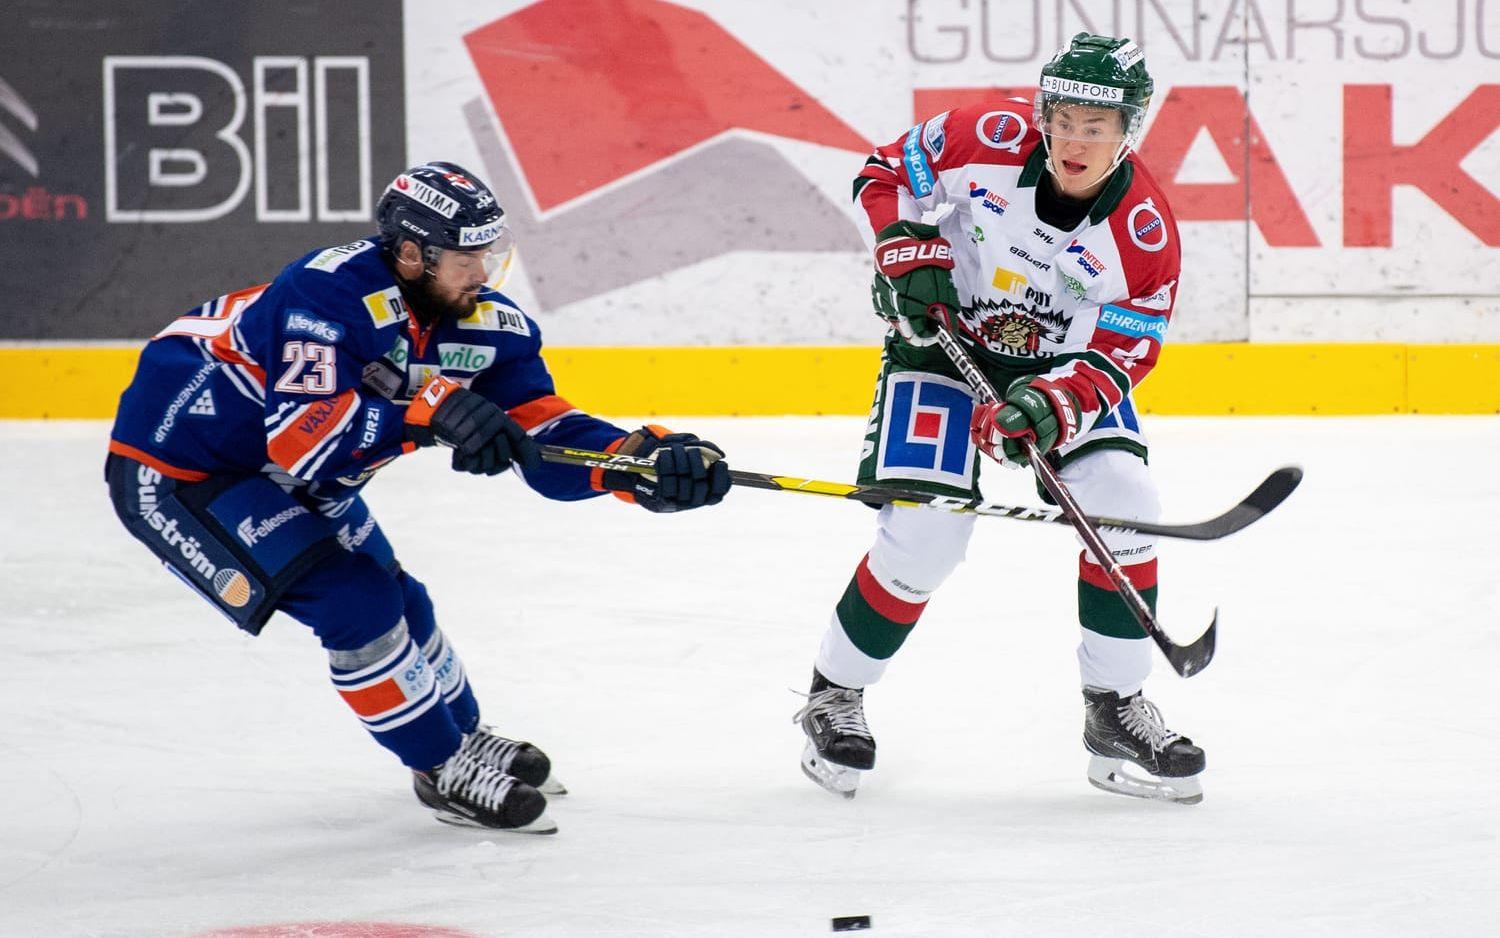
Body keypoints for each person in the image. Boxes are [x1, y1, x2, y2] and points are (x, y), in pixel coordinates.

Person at [105, 161, 732, 833]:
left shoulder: (485, 324)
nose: (485, 273)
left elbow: (544, 437)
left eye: (492, 252)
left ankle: (461, 735)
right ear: (411, 253)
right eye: (468, 256)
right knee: (356, 603)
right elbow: (304, 441)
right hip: (182, 470)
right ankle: (441, 768)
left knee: (404, 597)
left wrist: (631, 461)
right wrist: (425, 415)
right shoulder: (323, 297)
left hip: (292, 472)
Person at [794, 34, 1205, 804]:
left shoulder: (1145, 235)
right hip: (942, 349)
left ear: (1130, 129)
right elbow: (886, 172)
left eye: (1099, 125)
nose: (1077, 140)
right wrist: (899, 248)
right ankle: (834, 692)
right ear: (1043, 112)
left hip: (1059, 372)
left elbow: (1126, 354)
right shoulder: (985, 134)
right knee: (927, 535)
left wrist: (1051, 404)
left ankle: (1115, 707)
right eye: (1066, 118)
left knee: (1124, 499)